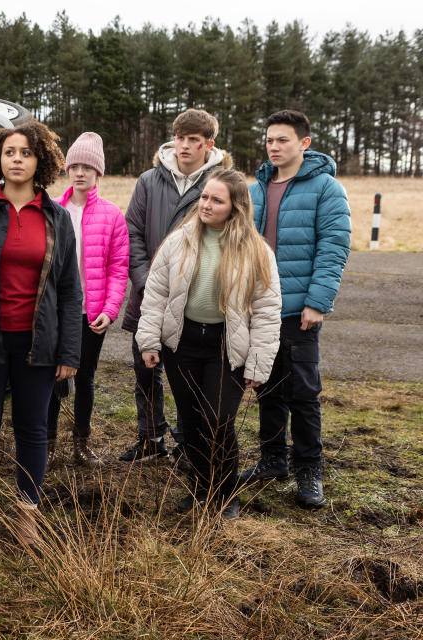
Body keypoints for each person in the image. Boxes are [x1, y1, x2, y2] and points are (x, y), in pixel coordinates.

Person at [0, 120, 81, 550]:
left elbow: (68, 289)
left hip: (38, 344)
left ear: (40, 160)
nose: (17, 159)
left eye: (26, 152)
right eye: (10, 152)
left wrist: (70, 352)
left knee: (32, 430)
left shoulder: (58, 218)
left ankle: (27, 516)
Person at [135, 168, 282, 519]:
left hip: (225, 347)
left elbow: (267, 309)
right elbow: (156, 294)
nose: (206, 204)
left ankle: (225, 492)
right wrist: (149, 340)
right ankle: (201, 489)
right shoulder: (179, 240)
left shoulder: (256, 251)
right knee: (189, 419)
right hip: (182, 344)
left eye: (217, 200)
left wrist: (258, 365)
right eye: (204, 197)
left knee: (217, 420)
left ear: (235, 207)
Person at [238, 110, 351, 508]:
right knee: (266, 385)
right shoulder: (255, 190)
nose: (273, 146)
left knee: (303, 392)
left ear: (303, 143)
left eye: (282, 140)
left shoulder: (326, 188)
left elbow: (333, 248)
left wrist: (318, 302)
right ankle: (272, 460)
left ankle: (309, 469)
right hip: (260, 308)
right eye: (269, 139)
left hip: (301, 307)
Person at [120, 109, 231, 464]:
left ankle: (188, 443)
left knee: (190, 377)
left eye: (193, 140)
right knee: (145, 368)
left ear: (207, 144)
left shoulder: (221, 184)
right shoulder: (149, 181)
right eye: (180, 138)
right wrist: (143, 279)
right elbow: (132, 232)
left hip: (195, 301)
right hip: (148, 295)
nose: (184, 145)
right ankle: (150, 437)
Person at [45, 132, 129, 466]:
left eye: (87, 167)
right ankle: (47, 443)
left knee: (85, 376)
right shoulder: (51, 210)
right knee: (51, 376)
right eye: (74, 166)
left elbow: (118, 268)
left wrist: (110, 309)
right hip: (55, 312)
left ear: (99, 173)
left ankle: (81, 443)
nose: (80, 172)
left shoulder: (112, 215)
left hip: (91, 314)